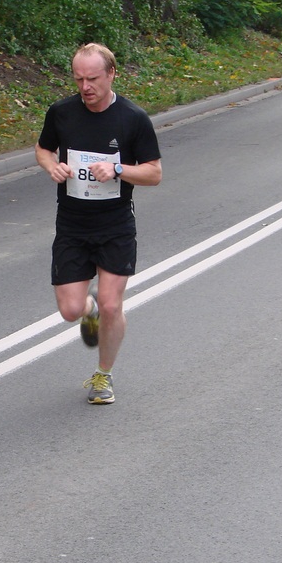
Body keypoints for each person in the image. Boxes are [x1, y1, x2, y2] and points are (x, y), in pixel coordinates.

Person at [35, 43, 162, 405]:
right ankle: (87, 311)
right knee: (70, 310)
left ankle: (103, 375)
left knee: (111, 304)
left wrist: (119, 170)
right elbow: (43, 149)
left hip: (115, 224)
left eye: (92, 78)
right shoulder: (61, 112)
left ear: (111, 75)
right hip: (72, 224)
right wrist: (51, 166)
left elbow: (154, 173)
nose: (85, 86)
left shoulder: (132, 118)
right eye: (78, 79)